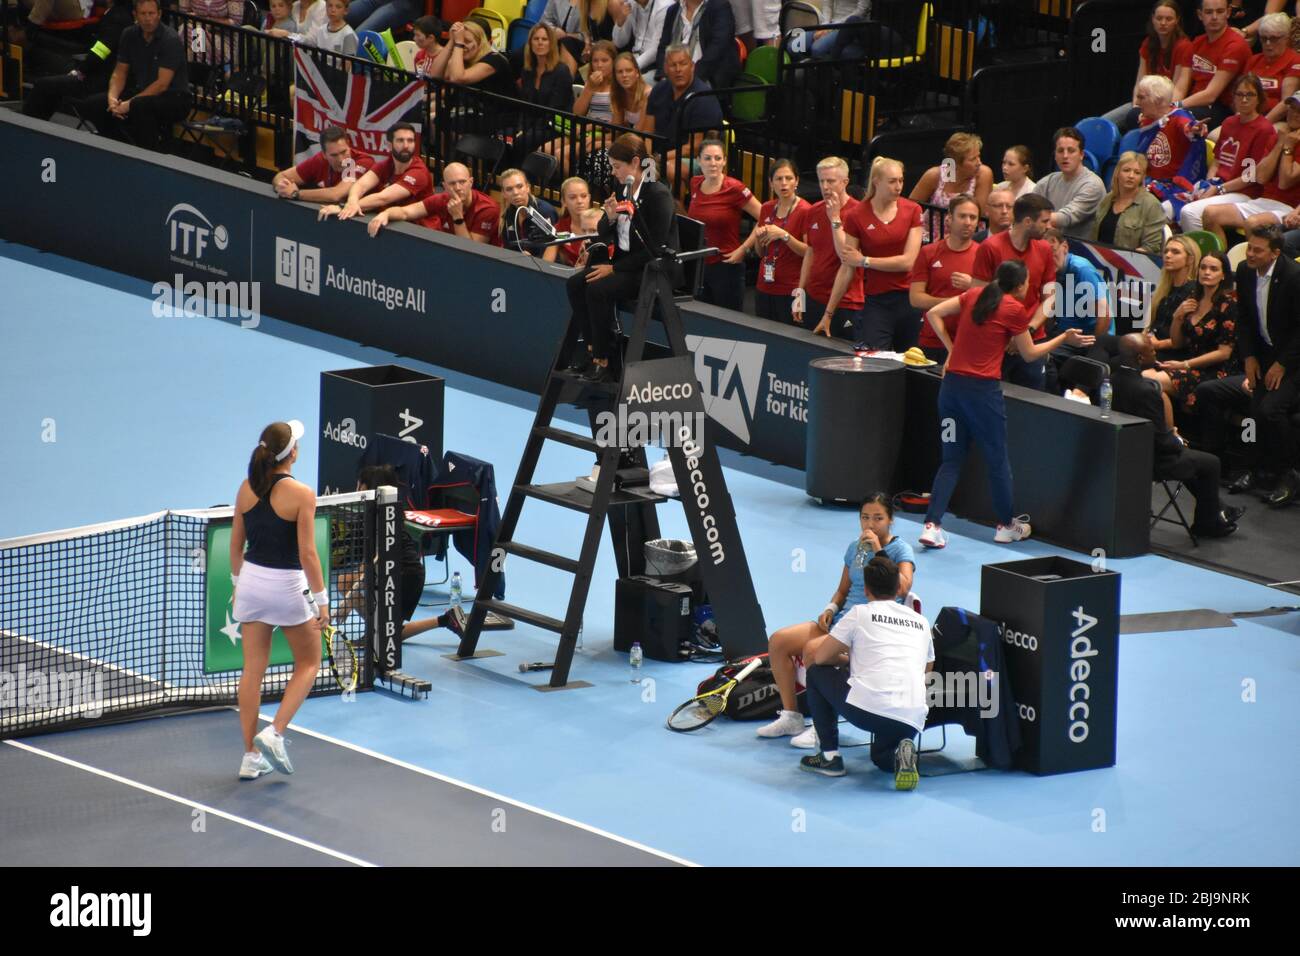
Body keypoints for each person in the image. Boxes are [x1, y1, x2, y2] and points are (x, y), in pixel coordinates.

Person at [918, 260, 1096, 550]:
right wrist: (1064, 337)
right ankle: (1005, 525)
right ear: (1020, 285)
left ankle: (932, 525)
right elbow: (1029, 353)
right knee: (997, 460)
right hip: (982, 395)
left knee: (951, 460)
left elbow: (934, 313)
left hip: (950, 391)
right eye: (1027, 283)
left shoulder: (973, 295)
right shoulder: (1013, 309)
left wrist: (952, 350)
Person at [756, 493, 916, 746]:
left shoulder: (900, 549)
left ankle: (822, 728)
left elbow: (904, 588)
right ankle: (792, 716)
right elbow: (843, 590)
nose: (870, 524)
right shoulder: (854, 547)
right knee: (779, 642)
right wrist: (830, 608)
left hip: (869, 628)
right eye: (865, 517)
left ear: (891, 520)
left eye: (878, 518)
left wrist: (877, 549)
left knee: (812, 652)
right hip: (842, 621)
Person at [230, 420, 326, 780]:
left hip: (252, 583)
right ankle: (275, 731)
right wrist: (322, 601)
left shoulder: (245, 489)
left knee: (252, 670)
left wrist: (240, 584)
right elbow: (308, 554)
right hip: (286, 587)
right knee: (309, 663)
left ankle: (250, 756)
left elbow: (236, 546)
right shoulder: (302, 494)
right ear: (293, 454)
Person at [796, 556, 930, 790]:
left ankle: (829, 757)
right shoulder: (921, 621)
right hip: (912, 718)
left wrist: (851, 659)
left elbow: (821, 657)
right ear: (898, 588)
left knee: (817, 672)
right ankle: (900, 758)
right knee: (880, 758)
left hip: (868, 710)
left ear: (866, 590)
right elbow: (927, 670)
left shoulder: (859, 613)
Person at [1195, 222, 1300, 506]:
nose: (1250, 254)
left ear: (1275, 253)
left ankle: (1288, 473)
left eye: (1257, 250)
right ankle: (1250, 468)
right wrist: (1250, 357)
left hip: (1293, 361)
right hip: (1262, 356)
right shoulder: (1244, 271)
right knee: (1252, 411)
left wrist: (1281, 364)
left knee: (1270, 411)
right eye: (1249, 248)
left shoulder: (1294, 276)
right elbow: (1244, 317)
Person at [564, 133, 678, 382]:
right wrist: (611, 216)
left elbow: (655, 248)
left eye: (617, 166)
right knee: (574, 284)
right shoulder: (622, 189)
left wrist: (613, 270)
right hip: (626, 265)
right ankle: (594, 348)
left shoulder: (658, 195)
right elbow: (606, 230)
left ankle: (602, 360)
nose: (613, 172)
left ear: (635, 163)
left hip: (651, 270)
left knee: (597, 289)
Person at [1108, 335, 1244, 537]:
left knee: (1192, 461)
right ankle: (1207, 524)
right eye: (1151, 351)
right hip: (1151, 461)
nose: (1155, 352)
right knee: (1211, 462)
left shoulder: (1110, 379)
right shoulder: (1147, 391)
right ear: (1139, 358)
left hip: (1121, 451)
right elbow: (1162, 442)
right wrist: (1178, 441)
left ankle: (1219, 509)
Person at [332, 464, 467, 641]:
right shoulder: (376, 513)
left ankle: (378, 632)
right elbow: (367, 565)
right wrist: (348, 602)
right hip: (388, 574)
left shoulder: (382, 518)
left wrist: (346, 604)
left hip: (405, 578)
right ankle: (445, 619)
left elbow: (366, 568)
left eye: (361, 485)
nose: (357, 489)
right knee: (346, 583)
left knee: (388, 635)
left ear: (371, 488)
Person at [71, 0, 190, 153]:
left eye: (151, 13)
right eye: (143, 14)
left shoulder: (170, 39)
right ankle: (119, 147)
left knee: (139, 107)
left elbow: (162, 84)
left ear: (159, 14)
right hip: (142, 92)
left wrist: (128, 104)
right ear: (135, 15)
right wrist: (112, 98)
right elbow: (120, 72)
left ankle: (149, 156)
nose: (148, 18)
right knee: (94, 104)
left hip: (174, 97)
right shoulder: (129, 34)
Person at [833, 156, 925, 351]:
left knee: (911, 360)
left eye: (901, 180)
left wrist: (865, 261)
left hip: (909, 298)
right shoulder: (856, 215)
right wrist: (828, 312)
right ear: (877, 181)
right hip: (877, 301)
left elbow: (908, 262)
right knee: (874, 359)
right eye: (892, 181)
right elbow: (848, 265)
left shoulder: (913, 210)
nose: (898, 186)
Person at [1142, 250, 1240, 429]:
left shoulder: (1229, 305)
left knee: (1150, 381)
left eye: (1213, 269)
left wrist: (1185, 365)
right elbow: (1177, 342)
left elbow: (1224, 353)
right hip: (1189, 362)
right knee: (1144, 379)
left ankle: (1169, 435)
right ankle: (1166, 432)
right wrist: (1178, 316)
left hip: (1214, 371)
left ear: (1223, 274)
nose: (1207, 272)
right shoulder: (1193, 298)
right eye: (1203, 267)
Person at [971, 192, 1058, 389]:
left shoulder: (1044, 249)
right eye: (1044, 221)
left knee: (1033, 402)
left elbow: (1050, 297)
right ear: (1028, 221)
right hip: (996, 340)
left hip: (1032, 339)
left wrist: (1027, 331)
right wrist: (1009, 333)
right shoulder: (990, 247)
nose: (1049, 226)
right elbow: (978, 296)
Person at [1177, 74, 1278, 232]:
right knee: (1170, 207)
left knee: (1189, 212)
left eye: (1250, 95)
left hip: (1243, 193)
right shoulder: (1229, 122)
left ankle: (1199, 254)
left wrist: (1219, 189)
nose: (1244, 99)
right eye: (1240, 94)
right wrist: (1208, 184)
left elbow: (1251, 176)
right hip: (1219, 185)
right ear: (1234, 97)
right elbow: (1217, 161)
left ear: (1259, 99)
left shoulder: (1263, 129)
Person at [1202, 94, 1300, 242]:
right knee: (1210, 214)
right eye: (1292, 108)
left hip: (1288, 208)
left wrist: (1288, 148)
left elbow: (1284, 182)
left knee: (1253, 223)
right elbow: (1261, 177)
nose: (1294, 114)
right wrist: (1280, 144)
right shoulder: (1279, 136)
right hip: (1263, 201)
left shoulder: (1290, 142)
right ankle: (1222, 262)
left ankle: (1256, 264)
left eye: (1299, 110)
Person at [22, 0, 135, 122]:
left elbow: (100, 51)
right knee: (52, 86)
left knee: (44, 85)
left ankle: (25, 127)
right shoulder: (119, 14)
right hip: (101, 74)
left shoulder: (117, 18)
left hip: (99, 80)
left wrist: (81, 71)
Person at [792, 156, 862, 342]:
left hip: (845, 303)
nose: (825, 187)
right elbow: (810, 251)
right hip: (815, 297)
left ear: (845, 182)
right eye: (821, 181)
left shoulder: (858, 213)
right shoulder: (813, 210)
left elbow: (845, 257)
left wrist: (835, 219)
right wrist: (800, 292)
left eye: (830, 181)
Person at [688, 135, 762, 311]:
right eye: (707, 158)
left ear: (724, 162)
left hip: (727, 265)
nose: (713, 163)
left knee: (728, 323)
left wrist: (744, 249)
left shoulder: (735, 188)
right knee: (702, 320)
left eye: (717, 158)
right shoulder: (695, 183)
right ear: (699, 161)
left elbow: (765, 217)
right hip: (700, 264)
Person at [732, 159, 809, 325]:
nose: (784, 184)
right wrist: (759, 239)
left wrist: (784, 235)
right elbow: (761, 253)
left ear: (797, 181)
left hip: (791, 287)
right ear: (771, 182)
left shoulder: (806, 211)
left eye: (789, 178)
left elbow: (809, 252)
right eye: (779, 179)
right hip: (764, 285)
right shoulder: (767, 208)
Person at [909, 194, 982, 363]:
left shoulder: (984, 255)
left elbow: (993, 297)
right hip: (933, 338)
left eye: (973, 217)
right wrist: (953, 303)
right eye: (962, 216)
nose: (968, 222)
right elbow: (915, 298)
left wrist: (971, 285)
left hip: (970, 339)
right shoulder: (929, 252)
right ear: (949, 219)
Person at [1102, 0, 1193, 132]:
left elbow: (1179, 91)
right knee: (1104, 122)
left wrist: (1154, 112)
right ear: (1152, 19)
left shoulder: (1184, 46)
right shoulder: (1148, 44)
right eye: (1159, 18)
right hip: (1145, 102)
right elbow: (1140, 82)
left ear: (1177, 20)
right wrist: (1137, 107)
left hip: (1167, 107)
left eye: (1168, 19)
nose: (1163, 23)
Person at [1130, 74, 1207, 222]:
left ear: (1158, 100)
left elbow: (1188, 126)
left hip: (1175, 188)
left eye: (1141, 98)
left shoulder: (1179, 117)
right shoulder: (1149, 121)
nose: (1137, 103)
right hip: (1150, 182)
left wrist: (1195, 128)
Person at [1043, 227, 1112, 392]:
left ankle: (1056, 400)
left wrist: (1094, 346)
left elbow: (1105, 315)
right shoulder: (1048, 271)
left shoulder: (1082, 270)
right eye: (1044, 255)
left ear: (1065, 247)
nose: (1050, 259)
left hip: (1087, 336)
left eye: (1053, 253)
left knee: (1044, 358)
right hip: (1062, 333)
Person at [366, 161, 501, 244]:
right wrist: (386, 214)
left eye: (462, 182)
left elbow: (472, 251)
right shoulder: (442, 200)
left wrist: (458, 218)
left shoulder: (488, 208)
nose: (458, 188)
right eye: (452, 184)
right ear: (445, 186)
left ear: (471, 182)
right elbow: (406, 212)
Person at [319, 122, 433, 220]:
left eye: (410, 141)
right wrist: (352, 200)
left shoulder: (419, 172)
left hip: (421, 231)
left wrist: (342, 207)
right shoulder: (386, 165)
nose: (406, 145)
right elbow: (361, 184)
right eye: (400, 141)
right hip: (393, 225)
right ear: (389, 144)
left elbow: (383, 198)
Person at [646, 44, 724, 187]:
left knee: (670, 168)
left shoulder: (702, 97)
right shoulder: (659, 90)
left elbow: (694, 147)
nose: (678, 70)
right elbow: (647, 132)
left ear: (692, 66)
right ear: (665, 68)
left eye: (683, 64)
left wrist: (658, 159)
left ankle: (677, 209)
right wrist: (647, 157)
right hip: (659, 155)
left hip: (698, 159)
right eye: (673, 65)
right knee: (630, 162)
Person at [909, 132, 994, 243]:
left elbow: (979, 214)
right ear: (956, 164)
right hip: (931, 237)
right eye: (973, 159)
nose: (979, 162)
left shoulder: (983, 174)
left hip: (969, 236)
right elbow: (910, 207)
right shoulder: (936, 175)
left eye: (979, 156)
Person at [1178, 0, 1250, 128]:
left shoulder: (1235, 45)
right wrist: (1169, 106)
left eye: (1220, 11)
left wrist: (1177, 107)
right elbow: (1180, 86)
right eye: (1209, 12)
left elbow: (1211, 94)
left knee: (1178, 118)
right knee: (1136, 114)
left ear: (1228, 13)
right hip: (1194, 103)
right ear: (1200, 15)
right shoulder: (1196, 43)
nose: (1214, 17)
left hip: (1223, 108)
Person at [1033, 126, 1107, 239]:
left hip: (1079, 251)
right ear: (1055, 156)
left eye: (1071, 151)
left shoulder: (1093, 185)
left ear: (1081, 155)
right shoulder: (1047, 181)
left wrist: (1031, 217)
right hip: (1049, 245)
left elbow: (1066, 217)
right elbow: (1028, 205)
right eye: (1060, 151)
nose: (1065, 156)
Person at [654, 0, 740, 92]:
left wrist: (690, 77)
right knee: (644, 84)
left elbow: (717, 50)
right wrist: (664, 75)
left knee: (683, 96)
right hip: (673, 73)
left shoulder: (720, 7)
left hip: (706, 76)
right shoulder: (673, 10)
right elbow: (663, 47)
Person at [274, 126, 375, 205]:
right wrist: (283, 186)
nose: (341, 159)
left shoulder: (364, 161)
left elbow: (337, 195)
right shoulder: (319, 160)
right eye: (334, 155)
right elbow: (281, 176)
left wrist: (296, 194)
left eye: (344, 152)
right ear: (324, 154)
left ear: (348, 145)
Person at [516, 23, 575, 155]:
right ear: (530, 43)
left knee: (522, 141)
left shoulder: (561, 71)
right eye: (536, 39)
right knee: (505, 136)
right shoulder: (528, 70)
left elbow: (553, 110)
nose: (540, 43)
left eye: (544, 39)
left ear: (551, 43)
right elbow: (524, 106)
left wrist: (528, 131)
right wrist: (521, 127)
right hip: (532, 125)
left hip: (554, 126)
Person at [1094, 151, 1167, 252]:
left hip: (1130, 264)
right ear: (1117, 172)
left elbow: (1151, 247)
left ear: (1142, 177)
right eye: (1126, 170)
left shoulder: (1152, 205)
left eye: (1137, 172)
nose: (1131, 176)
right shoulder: (1108, 199)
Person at [1146, 234, 1202, 360]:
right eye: (1166, 251)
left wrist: (1158, 344)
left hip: (1173, 354)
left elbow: (1188, 339)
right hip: (1153, 346)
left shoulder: (1194, 291)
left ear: (1190, 260)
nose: (1168, 255)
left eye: (1175, 252)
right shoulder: (1164, 288)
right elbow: (1153, 325)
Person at [428, 19, 515, 99]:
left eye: (467, 41)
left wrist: (459, 43)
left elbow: (458, 78)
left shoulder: (495, 59)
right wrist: (451, 41)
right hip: (465, 109)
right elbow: (435, 75)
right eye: (462, 40)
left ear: (480, 43)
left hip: (494, 113)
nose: (463, 46)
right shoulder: (461, 58)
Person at [1245, 12, 1300, 124]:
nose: (1268, 43)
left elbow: (1286, 102)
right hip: (1249, 116)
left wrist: (1261, 125)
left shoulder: (1295, 61)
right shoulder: (1253, 60)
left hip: (1276, 121)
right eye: (1264, 38)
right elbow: (1241, 93)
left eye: (1274, 39)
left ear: (1286, 38)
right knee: (1214, 136)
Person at [498, 168, 561, 253]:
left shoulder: (544, 212)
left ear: (528, 187)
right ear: (503, 194)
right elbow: (508, 247)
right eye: (509, 189)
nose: (515, 192)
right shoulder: (508, 214)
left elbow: (551, 248)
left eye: (519, 186)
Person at [610, 0, 674, 75]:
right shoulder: (631, 4)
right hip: (634, 58)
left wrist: (632, 66)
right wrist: (620, 21)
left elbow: (656, 49)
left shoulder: (664, 6)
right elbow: (619, 43)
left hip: (655, 64)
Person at [552, 177, 595, 265]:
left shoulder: (600, 225)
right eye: (572, 197)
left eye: (583, 196)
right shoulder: (561, 227)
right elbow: (546, 262)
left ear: (589, 198)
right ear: (564, 201)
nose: (579, 201)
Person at [610, 51, 654, 130]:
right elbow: (615, 130)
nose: (624, 75)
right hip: (631, 138)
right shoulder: (618, 93)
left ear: (637, 72)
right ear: (615, 76)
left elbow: (639, 134)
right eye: (620, 72)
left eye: (629, 70)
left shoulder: (648, 95)